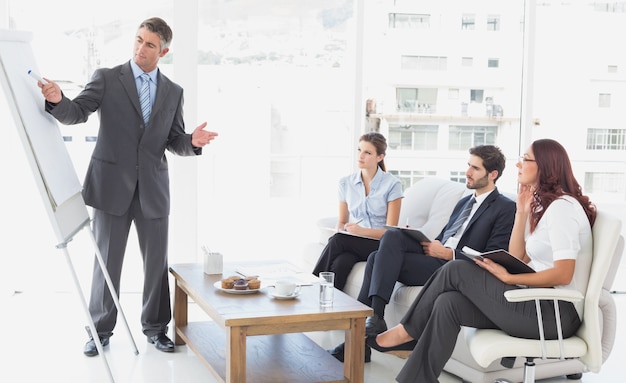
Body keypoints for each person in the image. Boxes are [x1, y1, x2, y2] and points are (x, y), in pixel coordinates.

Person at [37, 17, 218, 356]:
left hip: (153, 190)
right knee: (106, 262)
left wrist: (191, 141)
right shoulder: (107, 78)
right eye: (138, 40)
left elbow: (173, 140)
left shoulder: (173, 92)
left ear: (163, 50)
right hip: (110, 188)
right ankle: (99, 329)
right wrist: (58, 99)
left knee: (155, 264)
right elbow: (77, 112)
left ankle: (155, 328)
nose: (140, 49)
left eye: (149, 44)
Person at [368, 138, 595, 383]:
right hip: (531, 303)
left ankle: (405, 332)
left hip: (551, 315)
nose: (518, 164)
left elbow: (563, 274)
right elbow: (517, 256)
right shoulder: (543, 208)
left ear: (546, 167)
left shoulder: (562, 208)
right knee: (448, 303)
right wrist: (521, 212)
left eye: (526, 159)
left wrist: (510, 277)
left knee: (456, 268)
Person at [329, 144, 516, 363]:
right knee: (390, 239)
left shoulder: (505, 208)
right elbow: (446, 236)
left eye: (475, 168)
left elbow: (491, 258)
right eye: (468, 165)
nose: (467, 172)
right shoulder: (465, 202)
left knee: (375, 257)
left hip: (455, 269)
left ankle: (364, 335)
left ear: (492, 174)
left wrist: (449, 254)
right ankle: (375, 319)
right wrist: (427, 241)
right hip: (435, 258)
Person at [312, 132, 403, 290]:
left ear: (379, 157)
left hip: (380, 245)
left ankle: (310, 286)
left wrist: (361, 231)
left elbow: (390, 233)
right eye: (359, 150)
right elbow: (342, 221)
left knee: (338, 240)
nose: (360, 156)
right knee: (341, 263)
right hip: (353, 243)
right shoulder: (346, 183)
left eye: (367, 153)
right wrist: (343, 229)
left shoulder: (392, 184)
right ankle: (332, 312)